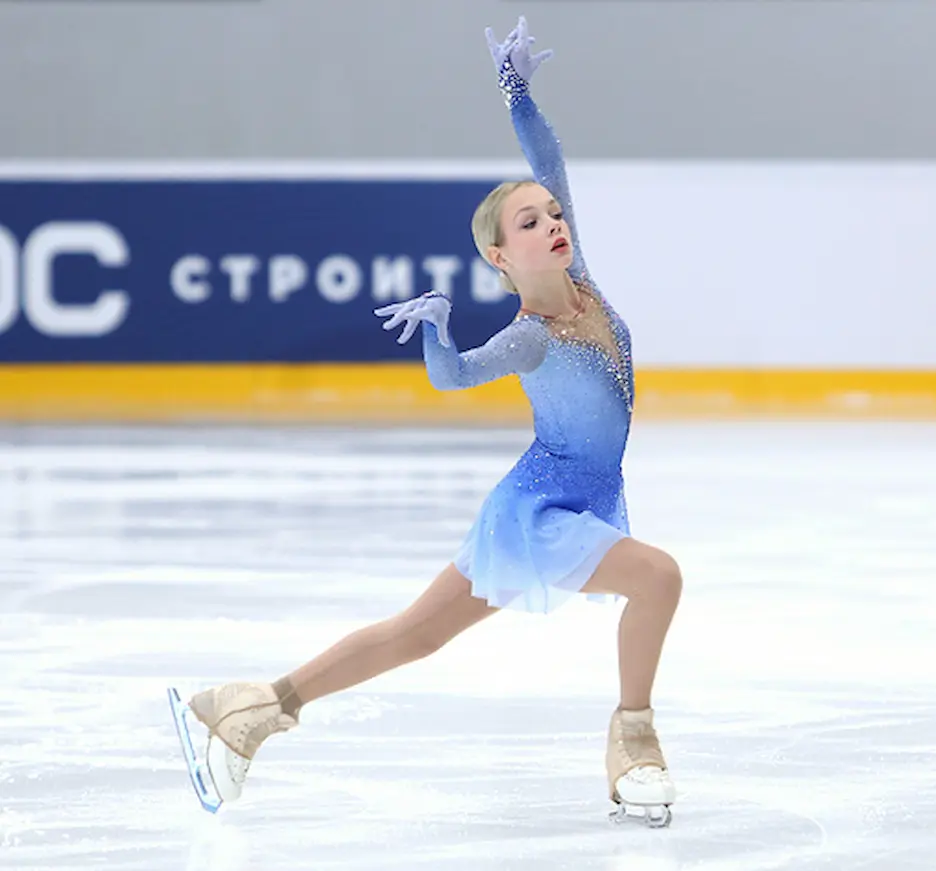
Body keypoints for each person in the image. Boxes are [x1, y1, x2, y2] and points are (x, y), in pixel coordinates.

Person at [171, 16, 683, 828]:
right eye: (529, 223)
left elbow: (546, 158)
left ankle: (253, 707)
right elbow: (454, 378)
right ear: (500, 259)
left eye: (554, 215)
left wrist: (516, 91)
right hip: (540, 512)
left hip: (575, 501)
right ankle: (633, 737)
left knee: (413, 634)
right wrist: (441, 330)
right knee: (658, 576)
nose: (552, 223)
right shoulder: (527, 335)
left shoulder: (581, 283)